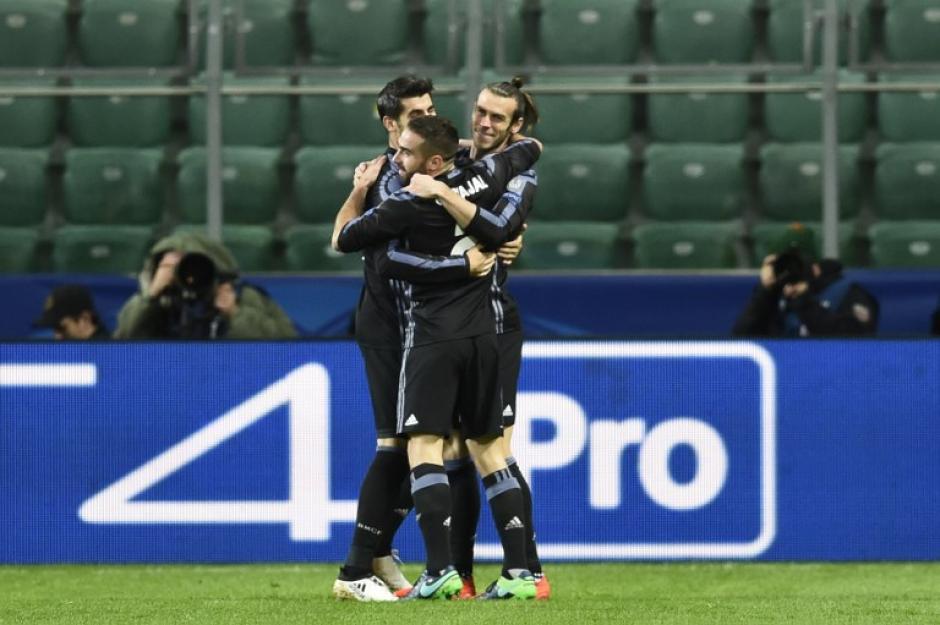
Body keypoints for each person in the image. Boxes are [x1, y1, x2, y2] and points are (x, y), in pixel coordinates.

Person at [334, 115, 542, 601]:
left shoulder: (407, 202)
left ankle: (441, 570)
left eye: (405, 152)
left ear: (431, 161)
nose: (397, 159)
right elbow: (528, 149)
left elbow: (348, 242)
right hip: (486, 334)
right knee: (490, 449)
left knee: (422, 446)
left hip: (432, 337)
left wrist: (364, 190)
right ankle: (520, 575)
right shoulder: (489, 177)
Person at [402, 77, 548, 599]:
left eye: (497, 118)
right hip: (454, 320)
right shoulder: (459, 159)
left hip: (494, 323)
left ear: (516, 125)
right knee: (460, 449)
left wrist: (450, 201)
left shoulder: (521, 174)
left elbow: (500, 227)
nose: (484, 123)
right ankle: (459, 573)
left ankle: (527, 570)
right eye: (481, 112)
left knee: (493, 445)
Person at [113, 232, 296, 340]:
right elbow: (121, 346)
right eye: (171, 267)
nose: (186, 275)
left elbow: (287, 348)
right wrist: (151, 295)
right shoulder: (158, 302)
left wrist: (235, 313)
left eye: (192, 266)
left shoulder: (243, 296)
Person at [732, 223, 879, 337]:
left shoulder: (847, 293)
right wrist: (764, 292)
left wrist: (805, 302)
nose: (789, 270)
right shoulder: (773, 298)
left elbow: (858, 345)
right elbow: (742, 343)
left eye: (797, 264)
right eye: (782, 264)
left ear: (815, 267)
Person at [33, 284, 109, 340]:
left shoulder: (109, 356)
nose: (57, 337)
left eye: (61, 328)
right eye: (54, 329)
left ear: (84, 319)